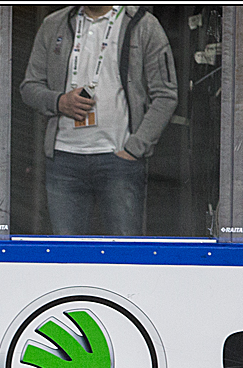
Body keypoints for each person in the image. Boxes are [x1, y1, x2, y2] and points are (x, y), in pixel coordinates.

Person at [19, 5, 178, 236]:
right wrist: (59, 102)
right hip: (64, 158)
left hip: (119, 159)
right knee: (68, 257)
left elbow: (166, 94)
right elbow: (29, 87)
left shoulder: (143, 24)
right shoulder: (54, 24)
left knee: (125, 256)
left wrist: (135, 148)